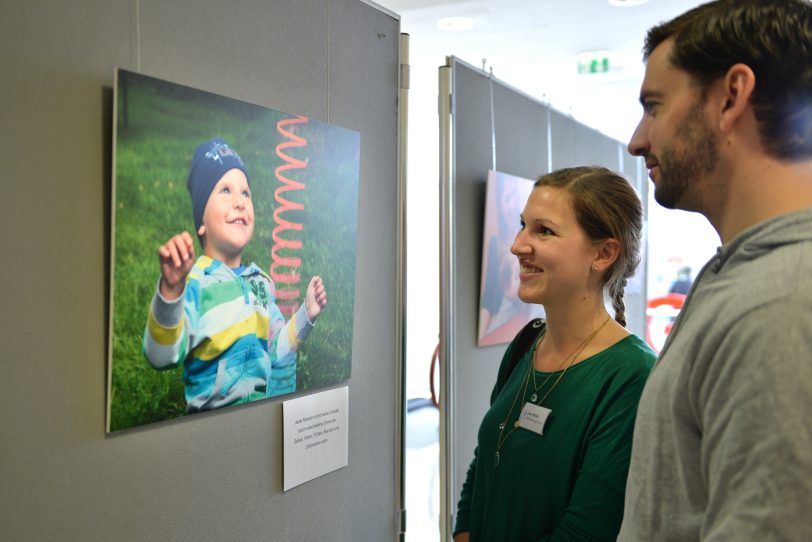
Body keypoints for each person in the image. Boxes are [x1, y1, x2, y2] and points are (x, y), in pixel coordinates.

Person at [619, 1, 812, 540]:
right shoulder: (738, 274)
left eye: (654, 107)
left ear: (731, 96)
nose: (638, 139)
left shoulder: (781, 305)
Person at [454, 166, 656, 541]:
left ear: (603, 253)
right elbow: (485, 461)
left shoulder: (632, 376)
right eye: (522, 225)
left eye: (543, 231)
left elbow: (586, 531)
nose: (517, 245)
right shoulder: (526, 344)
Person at [142, 138, 327, 412]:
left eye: (245, 193)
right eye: (225, 190)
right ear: (201, 222)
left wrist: (306, 316)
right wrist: (170, 291)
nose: (239, 202)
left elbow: (277, 350)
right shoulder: (194, 286)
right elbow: (159, 357)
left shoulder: (262, 284)